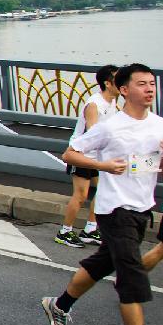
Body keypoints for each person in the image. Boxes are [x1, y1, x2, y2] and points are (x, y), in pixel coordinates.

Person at [41, 63, 163, 325]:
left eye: (152, 84)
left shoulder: (162, 126)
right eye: (142, 84)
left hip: (142, 208)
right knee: (131, 276)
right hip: (114, 209)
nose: (150, 89)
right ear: (125, 89)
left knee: (100, 265)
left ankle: (58, 306)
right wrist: (102, 165)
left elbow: (160, 170)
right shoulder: (111, 126)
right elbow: (70, 154)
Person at [55, 64, 120, 247]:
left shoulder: (113, 101)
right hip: (81, 153)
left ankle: (90, 229)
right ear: (108, 83)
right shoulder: (94, 104)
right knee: (81, 195)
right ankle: (64, 232)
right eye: (119, 80)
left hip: (99, 155)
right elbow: (92, 133)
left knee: (102, 191)